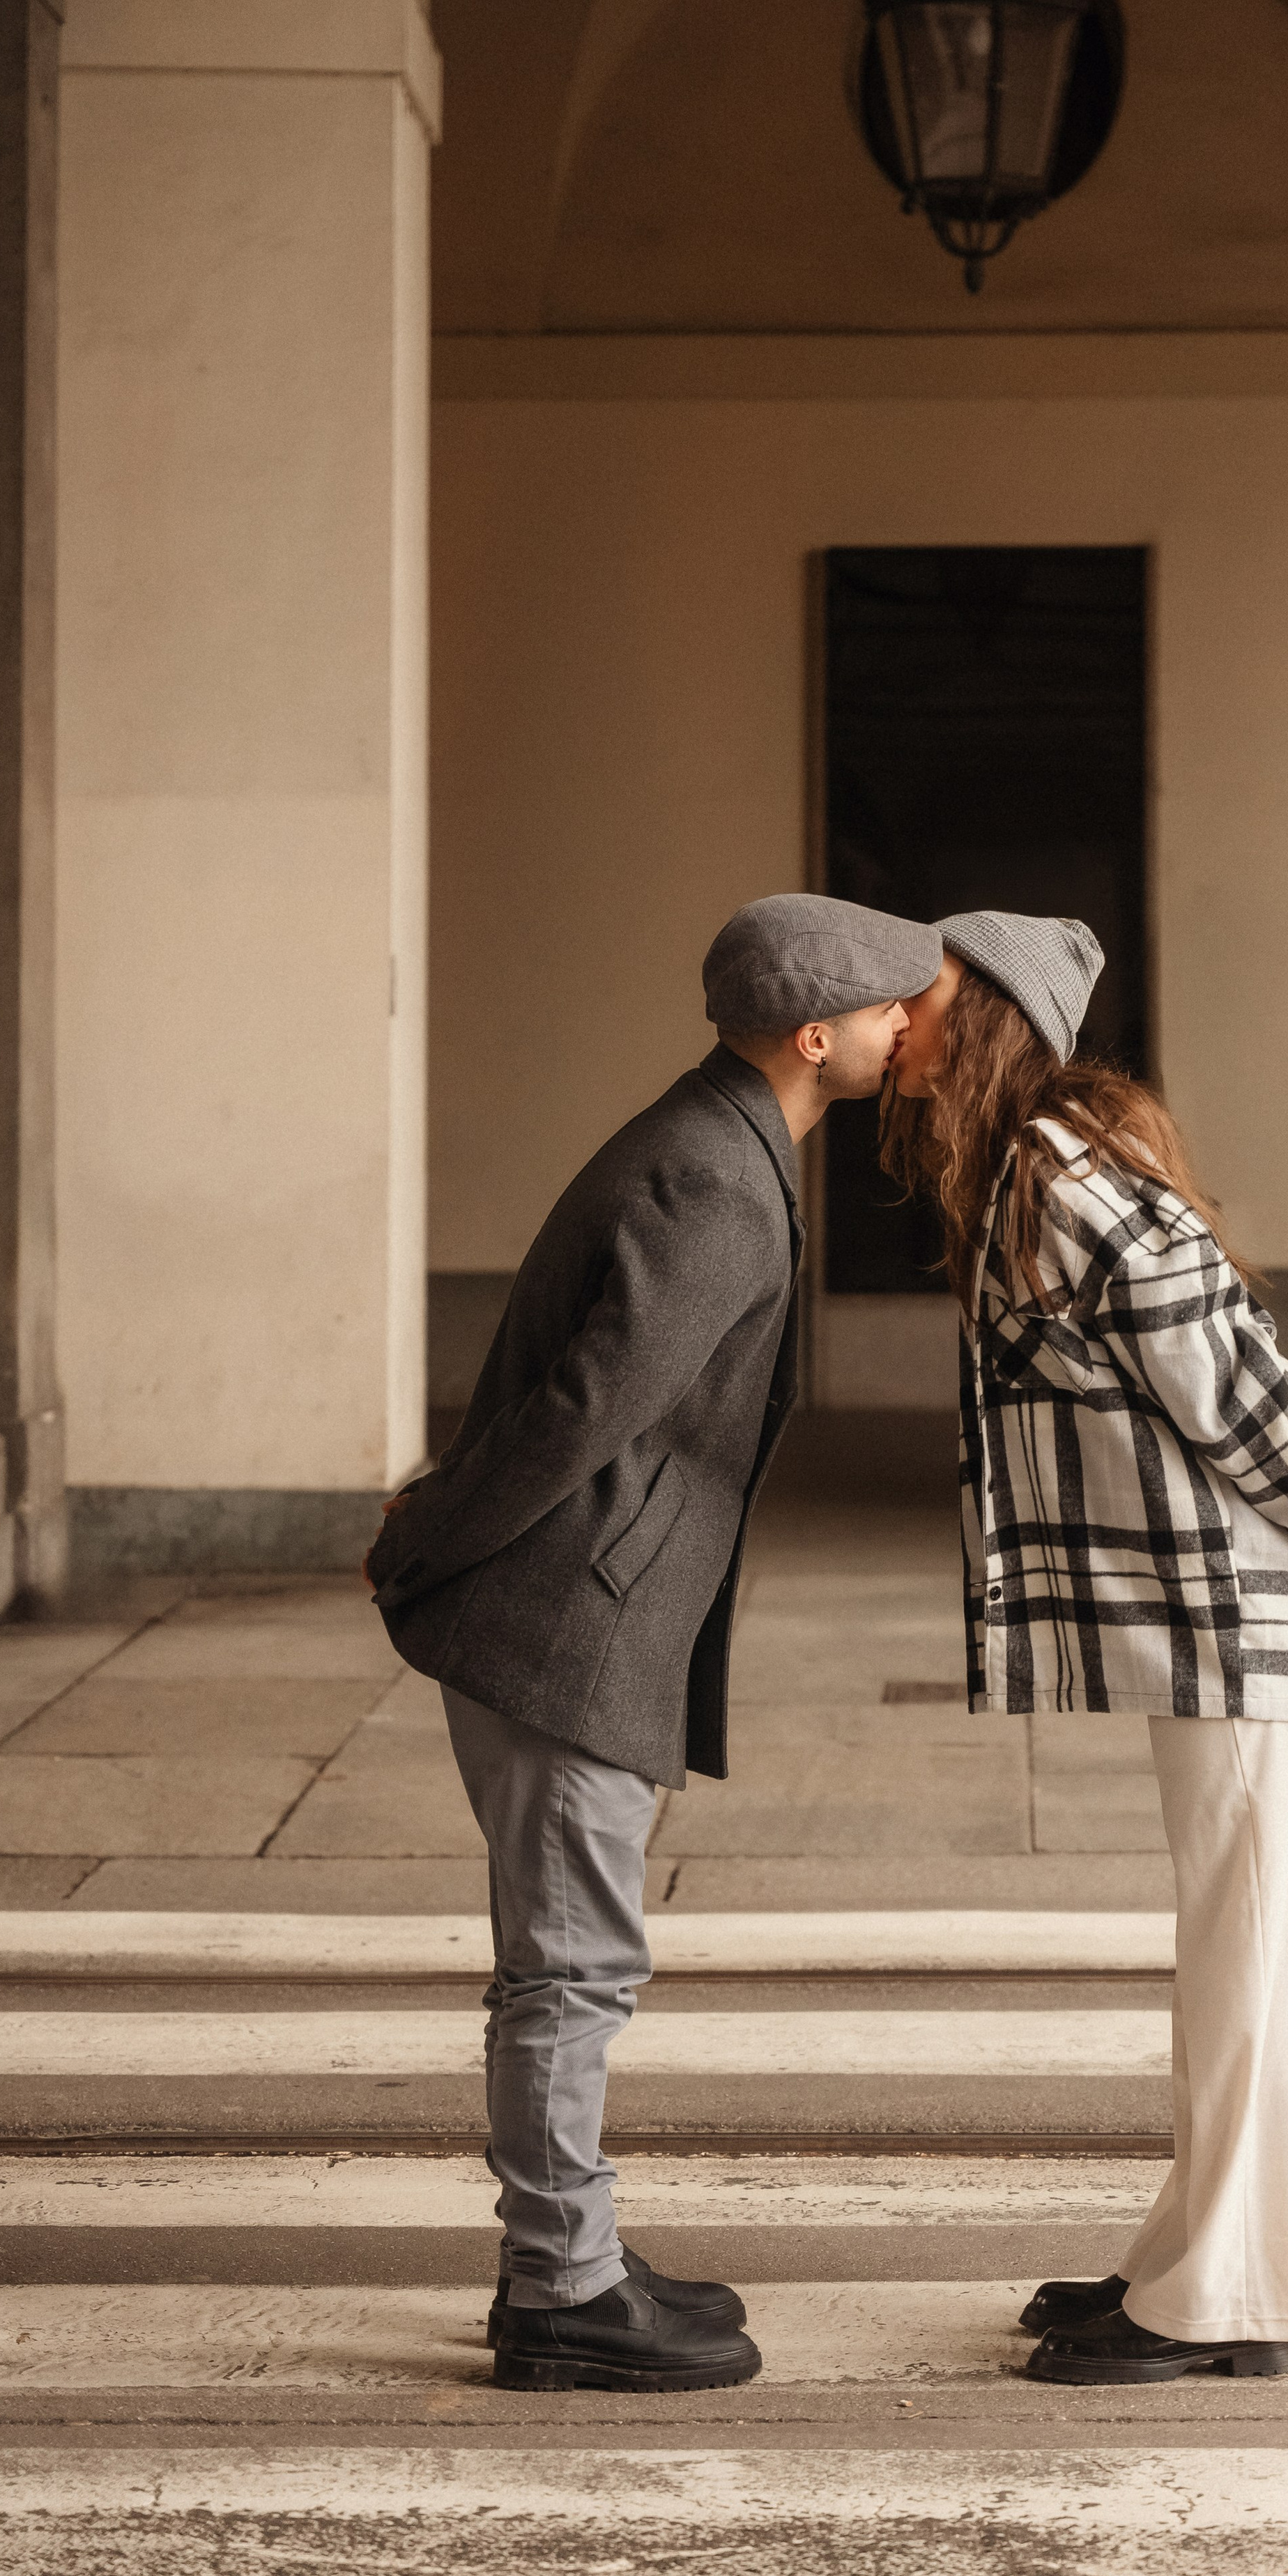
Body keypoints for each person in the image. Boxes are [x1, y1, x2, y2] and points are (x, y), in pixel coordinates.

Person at [367, 892, 942, 2393]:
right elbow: (581, 1412)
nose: (907, 1029)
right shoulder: (714, 1181)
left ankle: (575, 2252)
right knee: (567, 1969)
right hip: (562, 1623)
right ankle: (558, 2289)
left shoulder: (717, 1142)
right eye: (891, 1010)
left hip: (581, 1614)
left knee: (575, 1959)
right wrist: (425, 1535)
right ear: (817, 1037)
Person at [883, 911, 1288, 2386]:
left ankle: (1230, 2302)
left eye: (922, 999)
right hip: (1205, 1619)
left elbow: (1231, 1378)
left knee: (1249, 1949)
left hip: (1237, 1606)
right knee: (1230, 1945)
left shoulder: (1064, 1179)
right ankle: (1197, 2261)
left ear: (987, 1017)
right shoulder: (1029, 1170)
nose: (897, 1020)